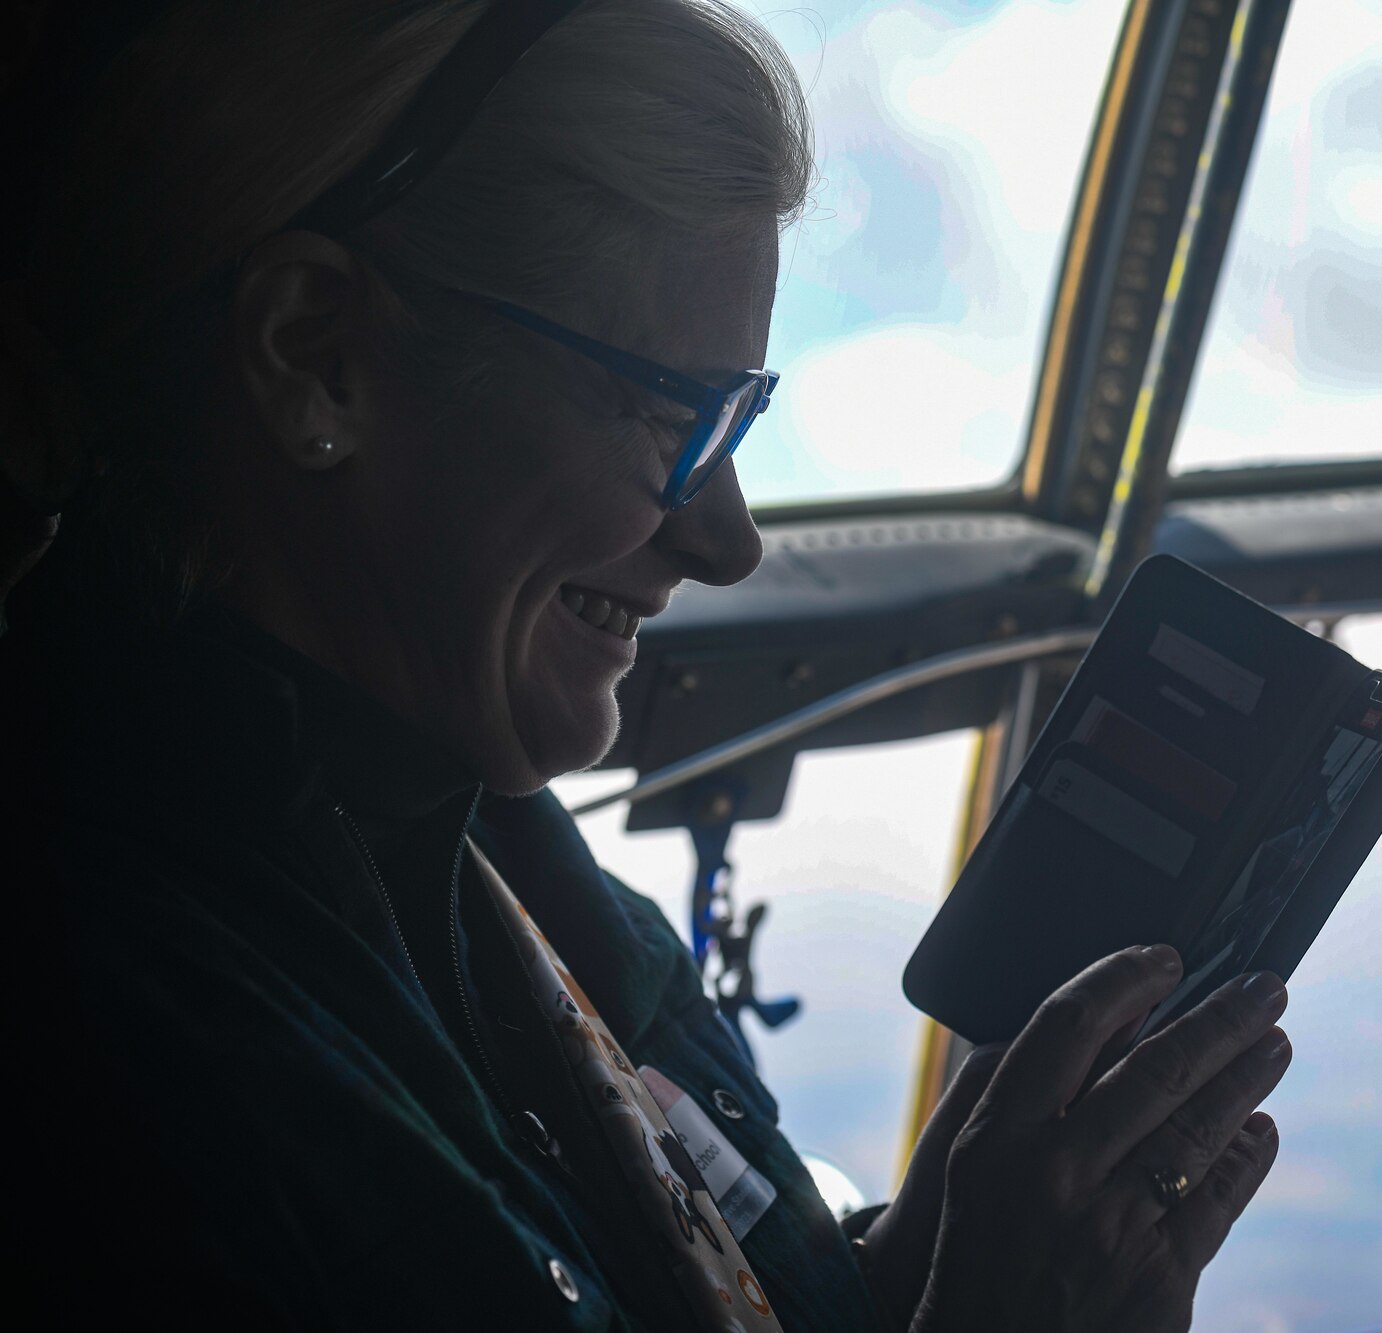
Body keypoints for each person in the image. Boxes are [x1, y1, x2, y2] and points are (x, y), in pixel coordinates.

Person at [1, 2, 1293, 1328]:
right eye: (674, 413)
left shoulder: (526, 888)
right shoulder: (126, 1063)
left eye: (741, 419)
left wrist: (928, 1261)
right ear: (314, 353)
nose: (725, 540)